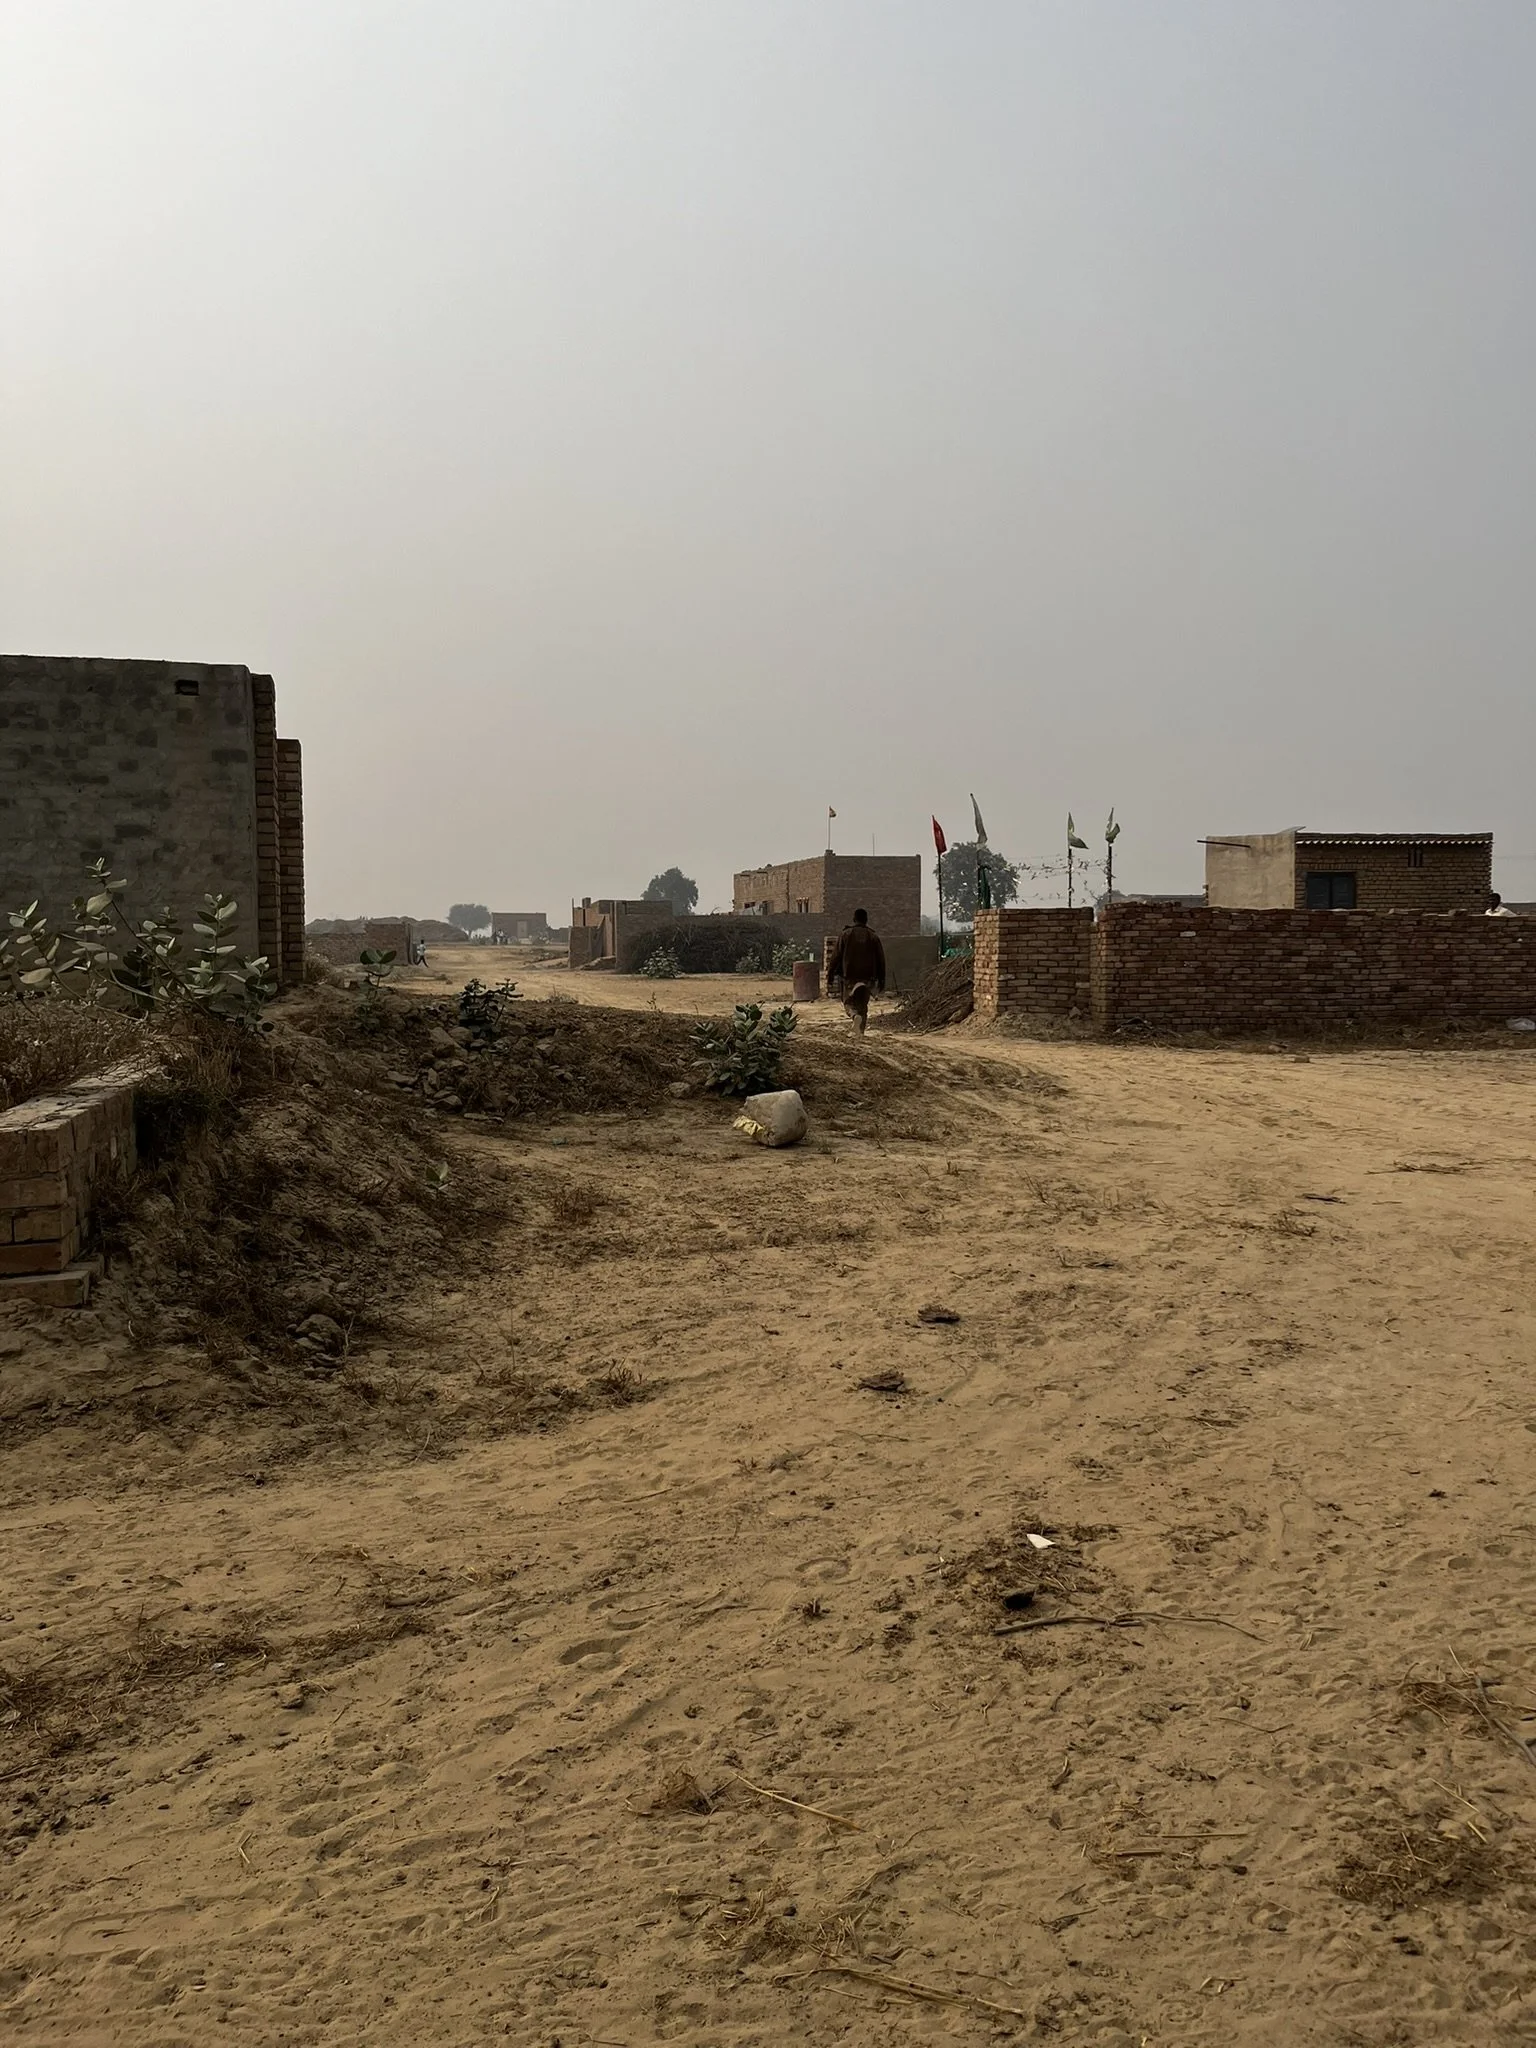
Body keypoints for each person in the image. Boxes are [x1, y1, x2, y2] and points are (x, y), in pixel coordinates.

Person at [827, 907, 885, 1034]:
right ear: (866, 920)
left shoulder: (845, 934)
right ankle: (860, 1033)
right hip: (868, 978)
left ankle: (854, 1016)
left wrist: (830, 975)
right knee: (863, 1005)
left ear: (854, 919)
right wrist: (882, 979)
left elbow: (835, 956)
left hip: (849, 977)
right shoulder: (873, 936)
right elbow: (881, 959)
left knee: (848, 1002)